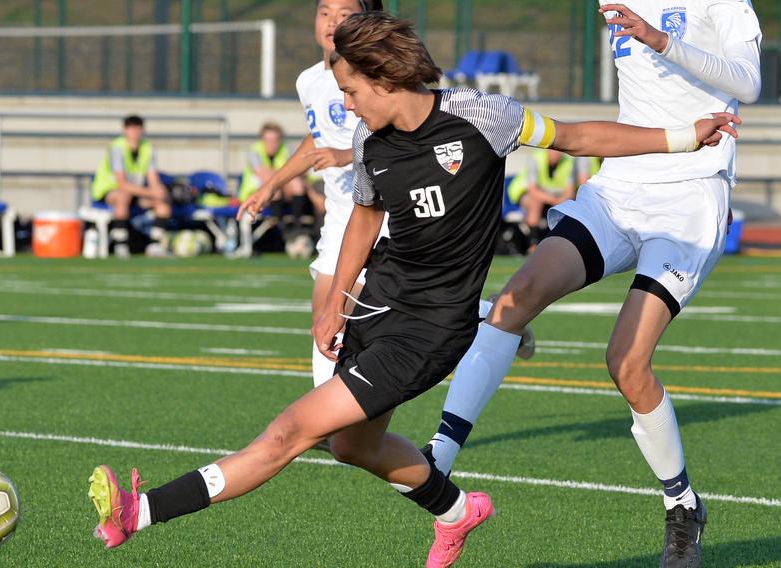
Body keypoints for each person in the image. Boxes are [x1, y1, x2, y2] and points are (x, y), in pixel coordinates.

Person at [87, 12, 738, 568]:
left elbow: (579, 138)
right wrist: (336, 302)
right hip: (375, 307)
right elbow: (365, 224)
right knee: (353, 446)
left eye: (349, 89)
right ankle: (456, 510)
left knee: (291, 432)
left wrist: (684, 137)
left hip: (429, 329)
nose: (344, 103)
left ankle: (137, 512)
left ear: (385, 78)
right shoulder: (371, 143)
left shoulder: (485, 117)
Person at [422, 2, 760, 567]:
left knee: (626, 363)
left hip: (692, 189)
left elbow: (748, 85)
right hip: (623, 182)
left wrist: (659, 38)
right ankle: (440, 455)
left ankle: (682, 505)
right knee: (515, 299)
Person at [239, 0, 388, 388]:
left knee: (355, 311)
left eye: (344, 12)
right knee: (325, 311)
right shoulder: (308, 82)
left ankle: (487, 316)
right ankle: (323, 413)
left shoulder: (380, 76)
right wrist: (270, 185)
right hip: (340, 215)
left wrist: (344, 154)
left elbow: (396, 136)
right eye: (324, 12)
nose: (332, 21)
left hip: (382, 212)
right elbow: (316, 136)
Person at [91, 115, 171, 258]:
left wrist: (159, 192)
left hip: (136, 193)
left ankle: (154, 245)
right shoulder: (117, 147)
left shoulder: (147, 148)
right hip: (109, 192)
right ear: (125, 130)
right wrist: (149, 192)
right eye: (131, 129)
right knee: (123, 197)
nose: (135, 133)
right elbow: (121, 184)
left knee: (162, 205)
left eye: (138, 129)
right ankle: (120, 244)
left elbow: (153, 179)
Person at [507, 149, 579, 247]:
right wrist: (554, 200)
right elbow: (533, 191)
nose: (555, 153)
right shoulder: (536, 158)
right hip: (524, 193)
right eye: (553, 150)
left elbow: (570, 192)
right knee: (535, 202)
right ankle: (533, 244)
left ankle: (562, 244)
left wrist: (560, 200)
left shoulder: (568, 161)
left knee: (568, 204)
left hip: (552, 197)